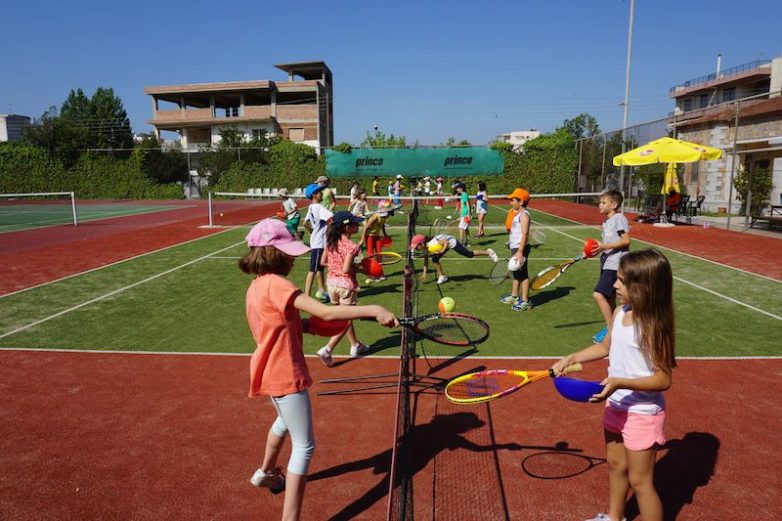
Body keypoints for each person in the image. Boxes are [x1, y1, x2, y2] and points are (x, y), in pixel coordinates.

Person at [240, 218, 398, 521]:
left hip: (268, 369)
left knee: (284, 423)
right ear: (273, 253)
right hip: (285, 371)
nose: (291, 258)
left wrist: (305, 326)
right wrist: (374, 310)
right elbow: (325, 309)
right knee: (305, 445)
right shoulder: (278, 284)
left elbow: (277, 322)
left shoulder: (256, 286)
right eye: (286, 252)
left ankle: (266, 472)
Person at [551, 248, 676, 521]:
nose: (615, 285)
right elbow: (605, 347)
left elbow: (663, 379)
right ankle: (614, 517)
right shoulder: (620, 312)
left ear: (644, 287)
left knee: (641, 482)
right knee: (616, 466)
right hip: (615, 404)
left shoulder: (653, 326)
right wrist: (571, 357)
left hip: (642, 413)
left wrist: (620, 382)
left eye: (621, 280)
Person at [316, 211, 371, 366]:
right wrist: (362, 270)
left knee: (344, 317)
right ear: (347, 227)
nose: (358, 225)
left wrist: (337, 266)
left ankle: (355, 346)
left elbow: (323, 262)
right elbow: (346, 270)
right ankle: (327, 349)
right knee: (345, 320)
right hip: (345, 286)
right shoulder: (352, 246)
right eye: (355, 223)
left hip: (331, 284)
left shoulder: (331, 240)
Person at [592, 190, 632, 343]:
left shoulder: (619, 218)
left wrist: (604, 246)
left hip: (616, 264)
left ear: (614, 205)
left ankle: (611, 330)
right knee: (609, 298)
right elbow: (606, 246)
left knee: (598, 295)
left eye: (603, 202)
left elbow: (626, 240)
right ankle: (616, 328)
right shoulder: (607, 222)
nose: (599, 205)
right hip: (607, 262)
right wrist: (594, 251)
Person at [410, 233, 498, 285]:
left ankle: (489, 252)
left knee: (469, 254)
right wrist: (424, 273)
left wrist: (441, 251)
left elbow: (446, 242)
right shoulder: (426, 248)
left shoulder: (433, 243)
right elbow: (426, 260)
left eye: (416, 246)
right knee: (434, 258)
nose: (415, 248)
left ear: (421, 243)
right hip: (442, 246)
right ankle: (442, 276)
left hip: (451, 242)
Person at [499, 188, 533, 311]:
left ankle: (525, 301)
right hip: (515, 247)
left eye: (513, 200)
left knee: (523, 275)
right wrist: (511, 242)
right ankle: (514, 296)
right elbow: (515, 233)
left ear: (521, 202)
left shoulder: (524, 216)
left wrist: (519, 251)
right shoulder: (517, 214)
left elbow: (524, 234)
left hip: (521, 249)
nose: (510, 202)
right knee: (516, 273)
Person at [303, 183, 333, 303]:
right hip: (319, 244)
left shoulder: (311, 207)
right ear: (315, 195)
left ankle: (321, 291)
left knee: (320, 269)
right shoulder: (319, 207)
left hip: (317, 242)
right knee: (313, 270)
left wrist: (312, 232)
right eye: (319, 192)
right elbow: (331, 219)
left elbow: (305, 223)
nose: (321, 193)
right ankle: (306, 296)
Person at [359, 199, 392, 282]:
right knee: (371, 255)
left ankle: (380, 274)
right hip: (369, 236)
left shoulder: (386, 216)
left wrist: (385, 234)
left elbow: (382, 225)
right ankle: (372, 274)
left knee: (379, 254)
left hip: (377, 236)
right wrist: (363, 239)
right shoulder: (375, 216)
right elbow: (366, 227)